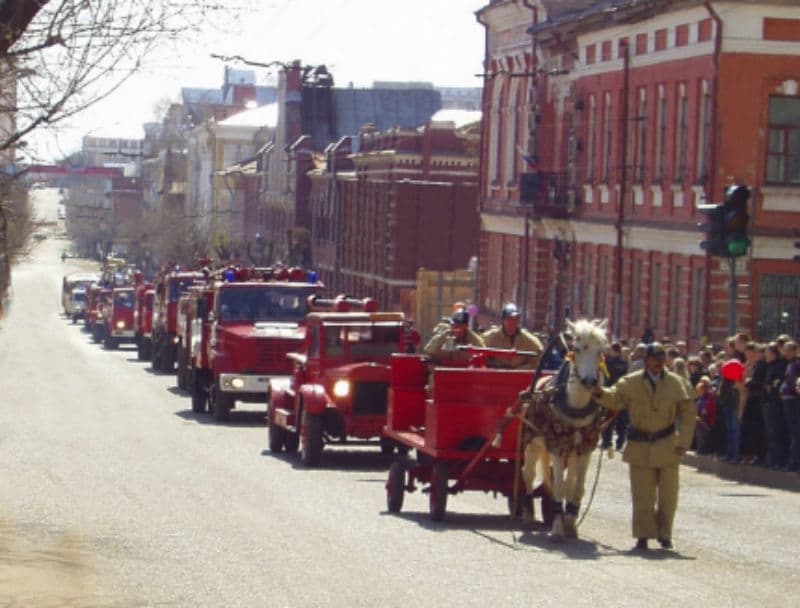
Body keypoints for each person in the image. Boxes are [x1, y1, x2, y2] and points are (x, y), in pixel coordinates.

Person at [592, 342, 696, 551]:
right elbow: (614, 398)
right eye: (655, 359)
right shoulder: (631, 382)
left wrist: (684, 442)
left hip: (667, 444)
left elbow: (688, 414)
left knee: (669, 495)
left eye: (662, 359)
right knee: (642, 495)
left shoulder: (677, 383)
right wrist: (598, 392)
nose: (659, 363)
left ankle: (665, 534)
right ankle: (643, 535)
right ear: (646, 360)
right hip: (640, 444)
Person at [481, 303, 543, 369]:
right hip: (496, 373)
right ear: (503, 320)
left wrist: (522, 369)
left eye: (516, 319)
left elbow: (539, 354)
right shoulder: (491, 337)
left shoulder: (527, 339)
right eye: (509, 319)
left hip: (519, 373)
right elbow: (479, 354)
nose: (513, 322)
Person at [600, 342, 629, 451]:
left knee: (612, 418)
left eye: (610, 350)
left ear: (615, 351)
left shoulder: (612, 363)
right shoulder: (623, 363)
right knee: (618, 420)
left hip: (613, 393)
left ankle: (609, 442)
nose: (609, 352)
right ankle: (616, 442)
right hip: (619, 393)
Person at [779, 340, 800, 472]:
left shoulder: (797, 364)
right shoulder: (790, 363)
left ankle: (794, 462)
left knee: (795, 432)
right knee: (792, 432)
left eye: (788, 351)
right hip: (787, 400)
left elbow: (794, 382)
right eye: (785, 350)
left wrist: (788, 390)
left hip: (793, 400)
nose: (785, 353)